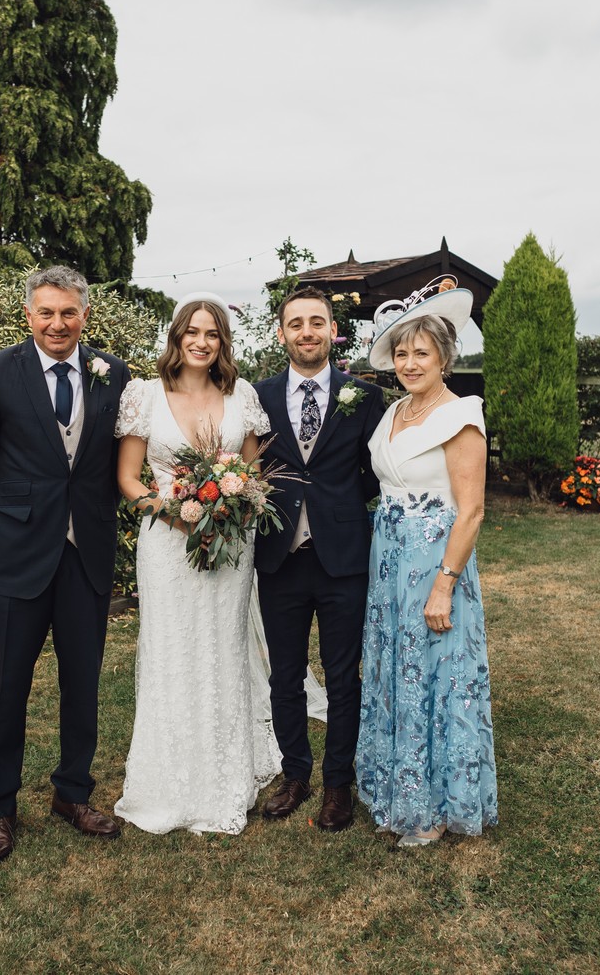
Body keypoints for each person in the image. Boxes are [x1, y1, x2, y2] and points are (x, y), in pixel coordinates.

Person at [0, 265, 133, 865]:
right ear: (28, 315)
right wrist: (1, 535)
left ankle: (72, 793)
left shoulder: (113, 375)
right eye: (46, 312)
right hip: (17, 557)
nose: (58, 323)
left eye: (69, 312)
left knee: (83, 683)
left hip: (86, 554)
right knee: (9, 687)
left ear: (86, 314)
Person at [113, 294, 280, 834]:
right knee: (173, 649)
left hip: (230, 545)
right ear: (177, 337)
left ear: (222, 341)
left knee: (222, 646)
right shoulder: (144, 396)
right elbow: (129, 480)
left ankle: (227, 770)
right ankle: (169, 775)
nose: (201, 342)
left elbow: (255, 475)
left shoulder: (242, 395)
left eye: (212, 333)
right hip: (167, 547)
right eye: (192, 332)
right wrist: (177, 515)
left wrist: (229, 508)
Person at [357, 282, 498, 847]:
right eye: (401, 353)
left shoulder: (460, 417)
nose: (409, 363)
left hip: (435, 562)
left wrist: (444, 585)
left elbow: (472, 512)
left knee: (437, 676)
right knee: (397, 670)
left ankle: (439, 803)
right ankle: (399, 788)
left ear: (444, 356)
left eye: (422, 353)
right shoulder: (394, 410)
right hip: (388, 561)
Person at [252, 287, 386, 832]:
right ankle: (295, 774)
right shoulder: (256, 397)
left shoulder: (364, 397)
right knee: (284, 675)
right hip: (280, 556)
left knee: (341, 675)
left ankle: (337, 784)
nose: (306, 332)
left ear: (333, 331)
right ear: (281, 333)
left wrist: (339, 503)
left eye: (316, 323)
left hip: (343, 557)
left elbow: (377, 470)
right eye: (295, 324)